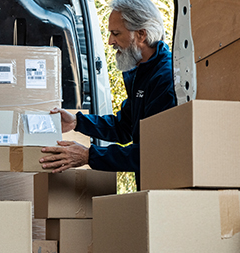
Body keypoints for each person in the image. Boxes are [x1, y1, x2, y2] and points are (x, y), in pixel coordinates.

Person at [39, 0, 176, 191]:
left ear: (141, 34)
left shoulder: (165, 79)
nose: (111, 41)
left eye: (116, 33)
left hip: (168, 193)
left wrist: (88, 156)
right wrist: (78, 123)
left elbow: (152, 154)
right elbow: (124, 126)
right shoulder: (143, 73)